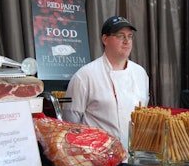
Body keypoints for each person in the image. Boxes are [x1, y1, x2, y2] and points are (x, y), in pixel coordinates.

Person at [62, 16, 150, 151]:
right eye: (120, 36)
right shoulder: (84, 76)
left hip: (134, 156)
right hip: (96, 157)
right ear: (105, 39)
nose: (126, 41)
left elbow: (142, 117)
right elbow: (70, 123)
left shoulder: (140, 73)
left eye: (130, 36)